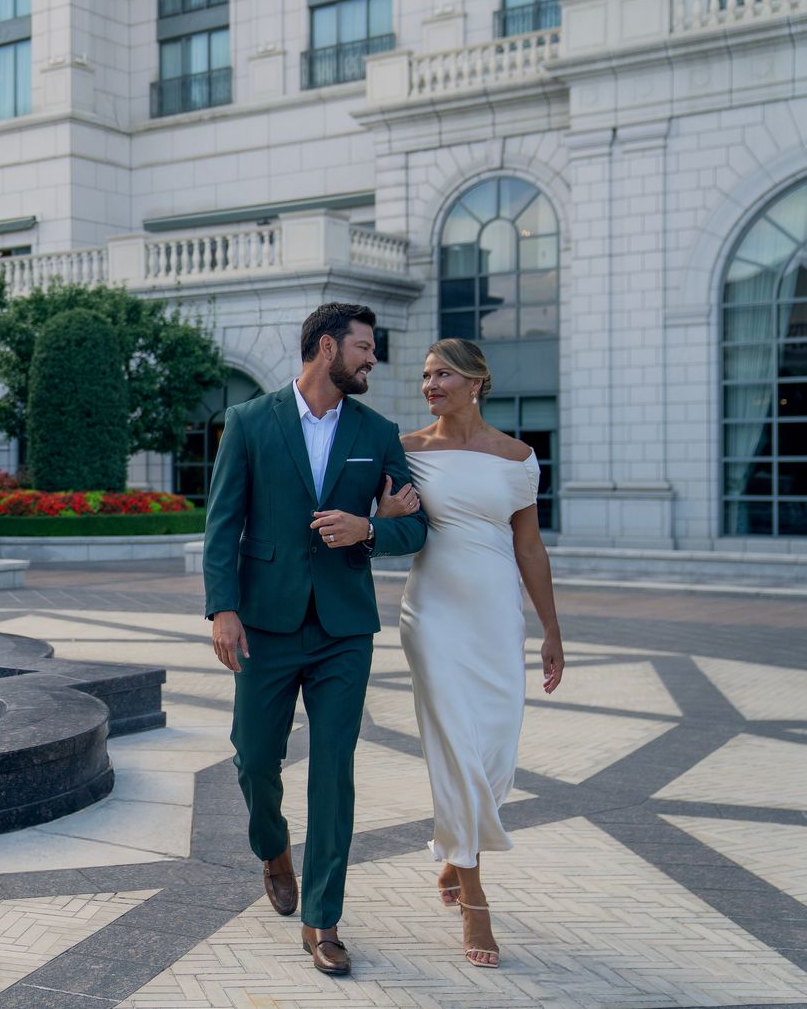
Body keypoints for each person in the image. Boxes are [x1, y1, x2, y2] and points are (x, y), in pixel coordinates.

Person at [203, 302, 427, 976]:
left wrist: (370, 529)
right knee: (251, 759)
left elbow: (415, 526)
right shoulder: (248, 421)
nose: (371, 360)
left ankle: (322, 919)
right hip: (265, 624)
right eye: (362, 347)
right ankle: (272, 849)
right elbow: (223, 523)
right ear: (325, 347)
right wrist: (222, 608)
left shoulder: (377, 431)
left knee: (333, 771)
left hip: (342, 630)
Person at [381, 338, 565, 969]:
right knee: (455, 744)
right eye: (427, 375)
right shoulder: (406, 450)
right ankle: (476, 894)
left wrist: (551, 630)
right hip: (431, 613)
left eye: (444, 375)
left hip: (494, 615)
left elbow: (531, 549)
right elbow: (394, 525)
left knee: (492, 746)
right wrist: (383, 512)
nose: (431, 384)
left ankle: (456, 855)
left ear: (477, 381)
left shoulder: (517, 458)